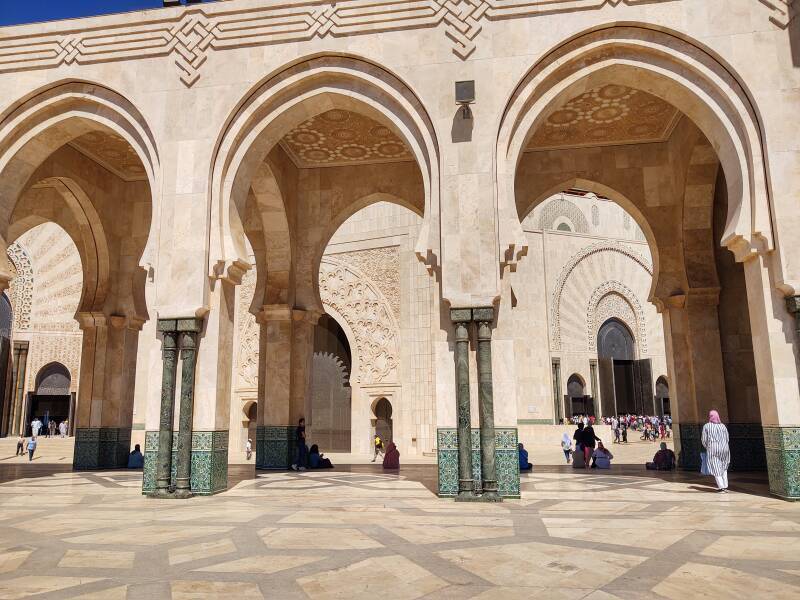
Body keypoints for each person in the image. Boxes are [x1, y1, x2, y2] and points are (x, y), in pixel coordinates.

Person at [702, 409, 730, 492]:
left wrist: (708, 447)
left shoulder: (707, 426)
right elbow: (727, 438)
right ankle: (725, 485)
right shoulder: (723, 426)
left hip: (713, 449)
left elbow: (704, 440)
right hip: (725, 448)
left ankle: (721, 486)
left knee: (716, 466)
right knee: (724, 467)